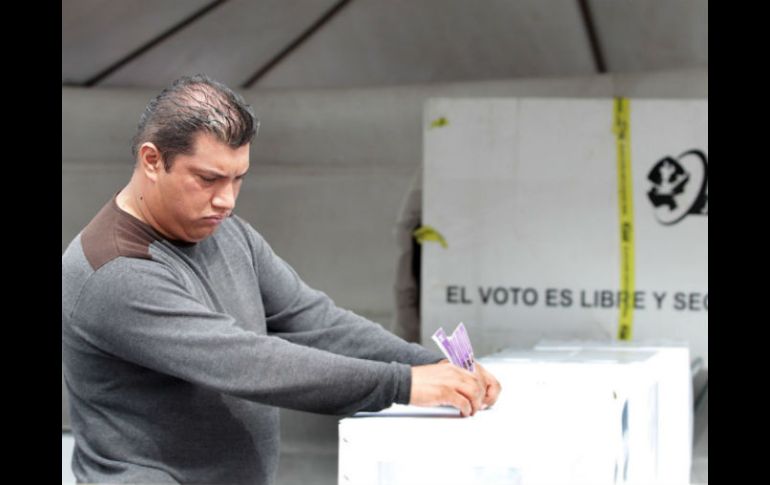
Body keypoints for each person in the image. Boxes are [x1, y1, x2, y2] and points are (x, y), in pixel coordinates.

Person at [62, 74, 501, 484]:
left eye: (238, 179)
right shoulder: (114, 269)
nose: (227, 200)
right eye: (208, 179)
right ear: (152, 160)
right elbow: (248, 362)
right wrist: (402, 384)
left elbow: (316, 322)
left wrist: (429, 366)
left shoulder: (225, 230)